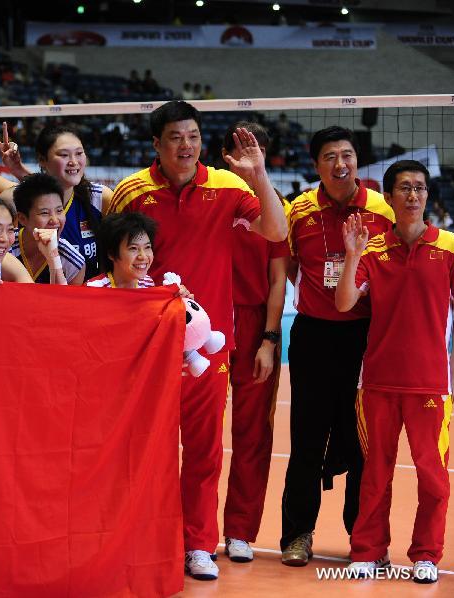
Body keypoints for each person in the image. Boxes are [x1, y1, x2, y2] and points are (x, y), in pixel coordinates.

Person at [108, 100, 287, 581]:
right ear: (156, 144)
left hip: (206, 347)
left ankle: (199, 544)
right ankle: (146, 536)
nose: (185, 145)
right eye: (174, 137)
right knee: (146, 449)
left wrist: (259, 175)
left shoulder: (229, 187)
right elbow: (114, 259)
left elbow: (276, 229)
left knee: (205, 449)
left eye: (192, 136)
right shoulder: (131, 191)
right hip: (148, 347)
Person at [336, 160, 454, 584]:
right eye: (404, 188)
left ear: (428, 196)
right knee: (375, 472)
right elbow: (343, 303)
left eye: (420, 188)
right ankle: (368, 550)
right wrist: (353, 252)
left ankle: (426, 554)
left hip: (430, 383)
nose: (413, 195)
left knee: (434, 476)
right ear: (389, 198)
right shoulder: (372, 249)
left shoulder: (449, 246)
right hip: (376, 382)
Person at [281, 126, 394, 567]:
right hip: (312, 336)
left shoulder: (381, 209)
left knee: (363, 443)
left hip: (365, 339)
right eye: (330, 156)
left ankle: (361, 540)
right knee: (307, 440)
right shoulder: (300, 210)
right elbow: (289, 268)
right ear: (316, 165)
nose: (340, 163)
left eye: (347, 155)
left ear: (356, 161)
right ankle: (297, 536)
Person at [219, 121, 289, 563]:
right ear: (225, 154)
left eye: (259, 149)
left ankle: (240, 531)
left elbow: (279, 277)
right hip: (202, 322)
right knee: (196, 434)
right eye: (242, 149)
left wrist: (268, 337)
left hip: (253, 324)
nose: (251, 156)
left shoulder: (274, 206)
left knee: (251, 436)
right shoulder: (213, 196)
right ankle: (193, 529)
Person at [0, 123, 113, 279]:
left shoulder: (100, 198)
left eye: (79, 153)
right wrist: (18, 169)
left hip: (89, 295)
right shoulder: (14, 200)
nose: (74, 161)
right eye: (64, 155)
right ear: (42, 160)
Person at [10, 173, 85, 286]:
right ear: (22, 218)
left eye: (59, 211)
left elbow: (67, 302)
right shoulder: (4, 246)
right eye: (44, 213)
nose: (55, 220)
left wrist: (53, 259)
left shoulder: (74, 263)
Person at [87, 212, 156, 289]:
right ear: (111, 254)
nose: (143, 256)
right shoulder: (93, 288)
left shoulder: (148, 283)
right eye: (133, 248)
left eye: (147, 247)